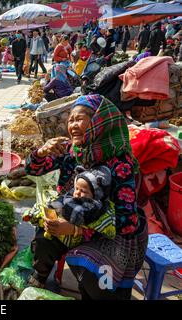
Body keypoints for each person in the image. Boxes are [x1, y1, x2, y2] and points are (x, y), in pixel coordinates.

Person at [23, 94, 147, 300]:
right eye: (70, 120)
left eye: (79, 119)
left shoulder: (120, 163)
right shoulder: (71, 150)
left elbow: (127, 222)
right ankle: (40, 274)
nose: (72, 125)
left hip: (107, 232)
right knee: (44, 235)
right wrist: (42, 152)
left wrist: (76, 229)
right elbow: (32, 169)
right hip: (74, 215)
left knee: (93, 272)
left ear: (99, 121)